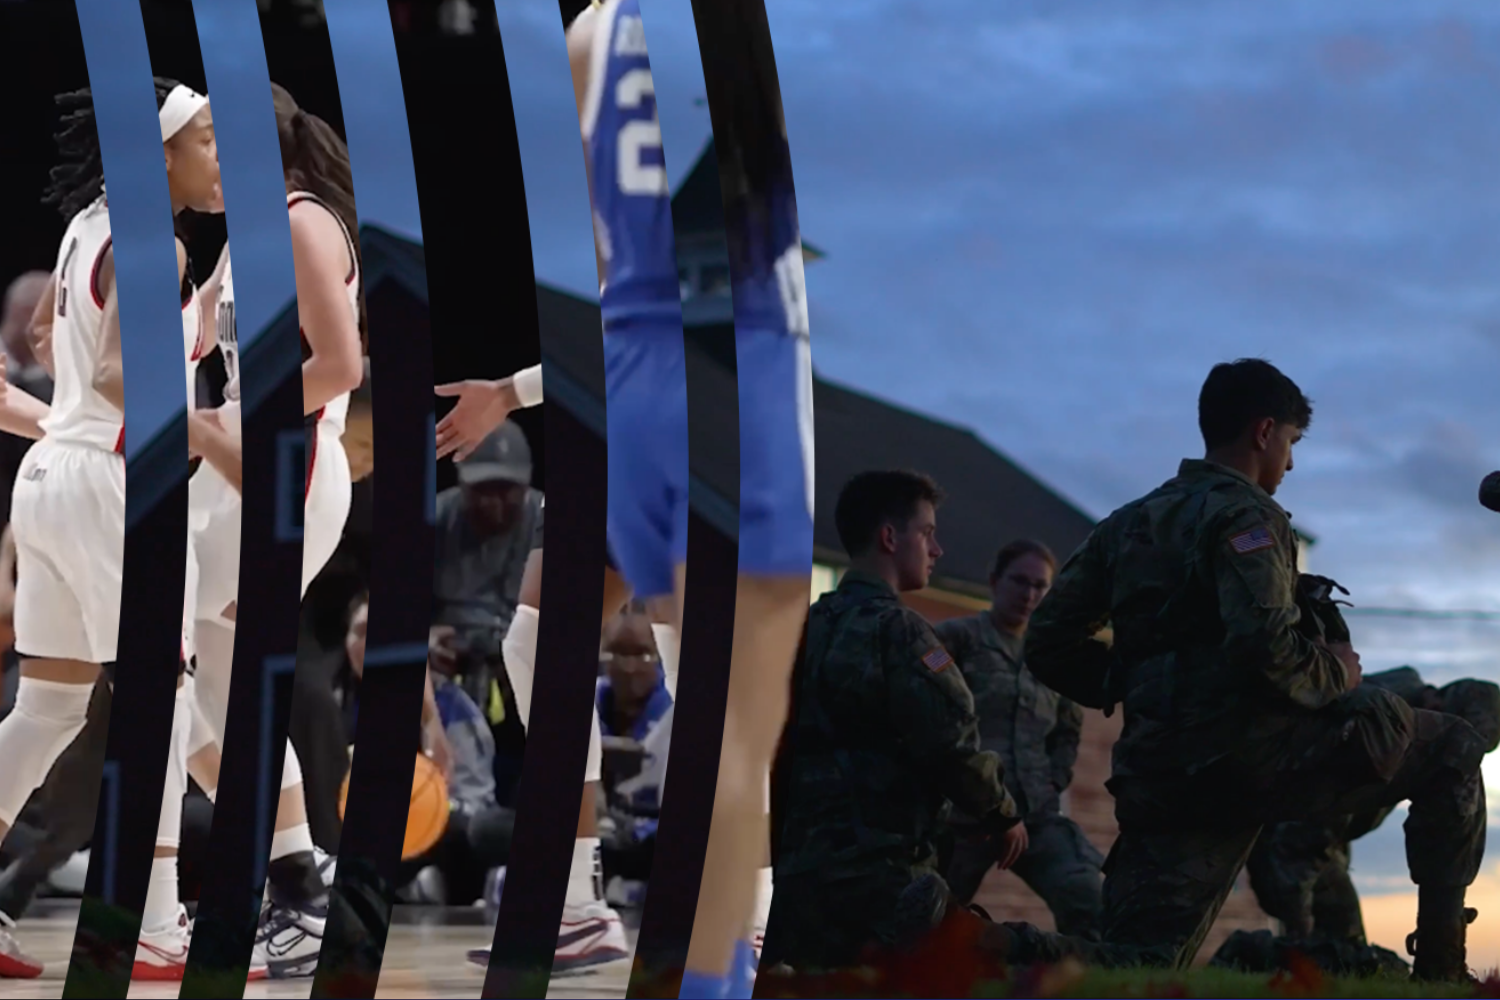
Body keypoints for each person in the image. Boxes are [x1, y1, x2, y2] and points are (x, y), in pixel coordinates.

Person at [1025, 358, 1489, 983]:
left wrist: (1134, 683)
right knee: (1453, 744)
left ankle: (977, 942)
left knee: (1137, 963)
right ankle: (1441, 970)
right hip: (1252, 758)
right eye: (1292, 443)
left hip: (1163, 772)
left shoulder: (1126, 523)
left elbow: (1048, 641)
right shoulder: (1246, 514)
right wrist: (1339, 675)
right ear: (1264, 431)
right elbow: (1265, 645)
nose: (1290, 464)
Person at [0, 78, 225, 981]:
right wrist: (211, 434)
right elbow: (131, 381)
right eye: (205, 139)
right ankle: (153, 920)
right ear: (160, 152)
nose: (218, 154)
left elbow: (73, 354)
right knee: (159, 700)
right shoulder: (154, 240)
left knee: (48, 705)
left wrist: (192, 333)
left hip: (48, 471)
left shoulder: (86, 225)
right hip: (107, 482)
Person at [180, 80, 366, 981]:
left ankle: (284, 881)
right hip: (238, 468)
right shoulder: (242, 238)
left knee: (151, 667)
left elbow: (341, 364)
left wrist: (234, 428)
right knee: (205, 693)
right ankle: (297, 880)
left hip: (283, 472)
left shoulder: (297, 221)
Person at [765, 470, 1026, 973]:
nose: (938, 549)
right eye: (927, 532)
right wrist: (1002, 813)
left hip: (800, 872)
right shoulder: (901, 632)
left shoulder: (806, 627)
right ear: (890, 537)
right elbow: (951, 741)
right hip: (879, 872)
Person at [1242, 668, 1500, 950]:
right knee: (1315, 953)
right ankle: (1252, 954)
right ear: (1436, 707)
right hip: (1281, 838)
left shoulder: (1407, 735)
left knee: (1347, 948)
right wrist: (1299, 932)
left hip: (1318, 846)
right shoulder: (1380, 728)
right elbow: (1302, 837)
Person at [934, 540, 1103, 938]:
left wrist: (1052, 781)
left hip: (1034, 815)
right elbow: (927, 714)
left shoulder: (1052, 655)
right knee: (929, 919)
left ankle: (1079, 982)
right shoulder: (955, 639)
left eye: (1039, 586)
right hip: (962, 816)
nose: (1029, 594)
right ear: (994, 581)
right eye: (1019, 582)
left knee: (1087, 895)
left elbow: (1068, 729)